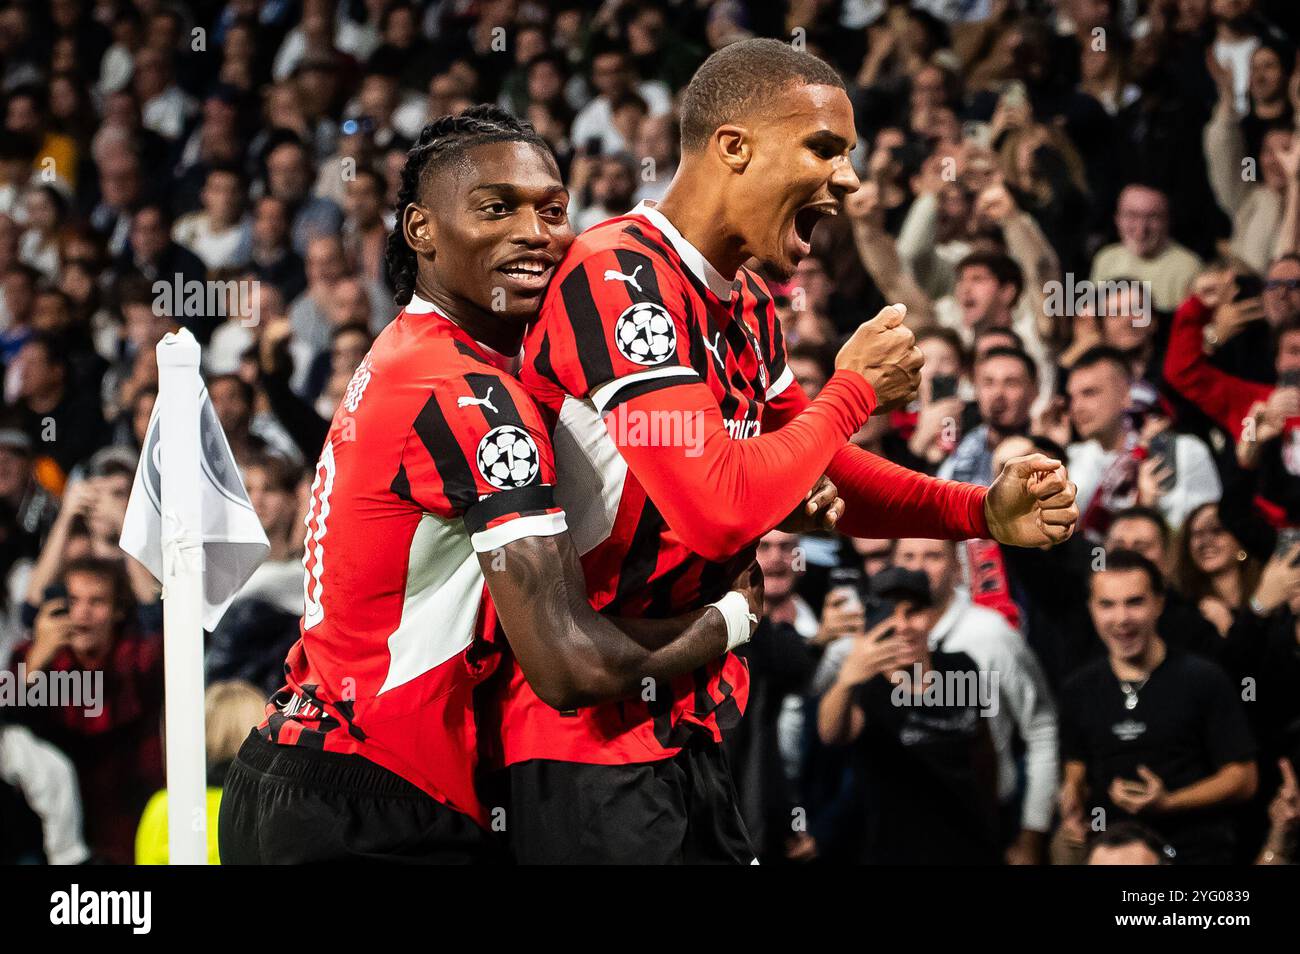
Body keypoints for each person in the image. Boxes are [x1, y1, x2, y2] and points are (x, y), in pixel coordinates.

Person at [503, 38, 1079, 865]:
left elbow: (820, 468)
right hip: (586, 738)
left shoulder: (750, 308)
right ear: (732, 147)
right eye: (823, 149)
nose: (849, 180)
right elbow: (717, 511)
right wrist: (852, 393)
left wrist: (979, 510)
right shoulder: (619, 274)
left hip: (693, 714)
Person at [217, 107, 761, 865]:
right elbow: (570, 664)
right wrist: (727, 621)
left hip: (319, 771)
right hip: (373, 799)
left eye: (552, 209)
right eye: (496, 208)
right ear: (420, 230)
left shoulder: (418, 355)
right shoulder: (467, 394)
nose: (536, 232)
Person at [1057, 551, 1257, 865]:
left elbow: (1243, 778)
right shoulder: (1078, 689)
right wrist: (1072, 790)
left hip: (1195, 853)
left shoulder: (1204, 678)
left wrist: (1170, 802)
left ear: (1159, 604)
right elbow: (1077, 760)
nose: (1121, 619)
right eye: (1107, 604)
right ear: (1091, 610)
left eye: (1134, 602)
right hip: (1111, 855)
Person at [817, 567, 1001, 864]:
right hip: (893, 853)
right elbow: (832, 733)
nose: (902, 625)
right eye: (890, 612)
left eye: (913, 611)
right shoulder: (865, 685)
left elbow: (984, 750)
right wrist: (847, 680)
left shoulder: (961, 667)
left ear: (931, 616)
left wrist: (994, 824)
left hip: (970, 848)